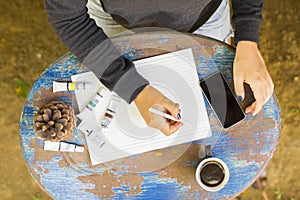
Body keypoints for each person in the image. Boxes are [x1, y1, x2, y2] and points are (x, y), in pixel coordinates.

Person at [44, 0, 274, 136]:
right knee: (123, 113)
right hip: (114, 18)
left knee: (225, 113)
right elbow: (68, 17)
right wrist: (134, 90)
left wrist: (247, 37)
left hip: (206, 19)